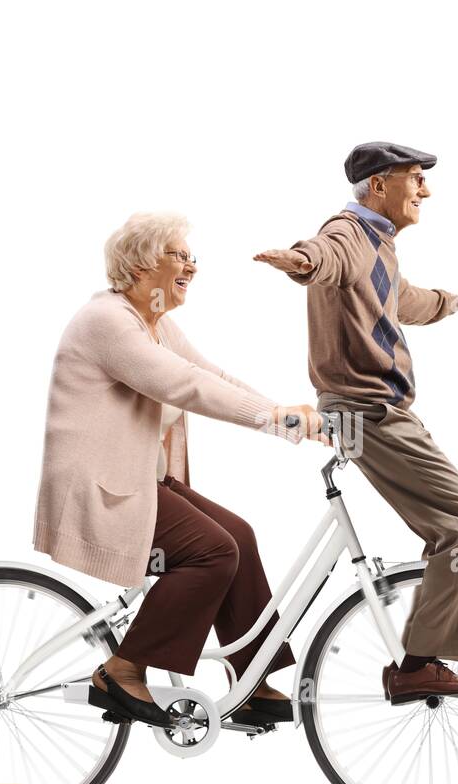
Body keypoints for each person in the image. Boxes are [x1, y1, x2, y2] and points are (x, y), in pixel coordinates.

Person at [34, 212, 327, 725]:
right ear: (143, 263)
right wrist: (277, 421)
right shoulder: (108, 320)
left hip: (139, 482)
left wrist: (292, 416)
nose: (192, 266)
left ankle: (251, 680)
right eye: (181, 255)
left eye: (193, 257)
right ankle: (122, 670)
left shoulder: (158, 324)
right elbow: (181, 386)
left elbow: (210, 375)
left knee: (239, 533)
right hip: (98, 488)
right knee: (212, 550)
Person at [254, 142, 458, 705]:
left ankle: (415, 657)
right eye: (415, 179)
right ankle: (419, 664)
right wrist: (300, 261)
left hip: (375, 411)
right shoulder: (348, 233)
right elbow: (327, 257)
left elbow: (400, 300)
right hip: (370, 413)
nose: (426, 191)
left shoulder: (379, 244)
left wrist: (453, 302)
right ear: (379, 185)